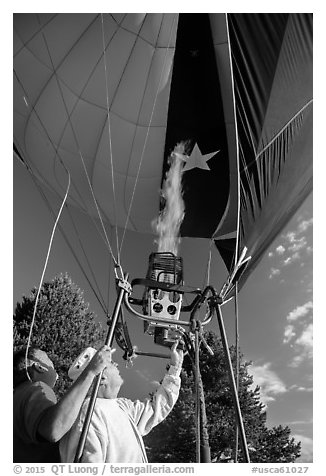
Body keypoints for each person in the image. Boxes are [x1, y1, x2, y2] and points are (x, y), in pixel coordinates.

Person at [59, 341, 183, 463]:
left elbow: (156, 409)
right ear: (102, 378)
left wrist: (175, 368)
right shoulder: (90, 411)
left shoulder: (121, 406)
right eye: (112, 362)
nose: (117, 364)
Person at [13, 345, 112, 462]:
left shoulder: (16, 396)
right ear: (39, 367)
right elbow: (54, 429)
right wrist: (90, 371)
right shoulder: (36, 388)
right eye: (49, 360)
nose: (54, 367)